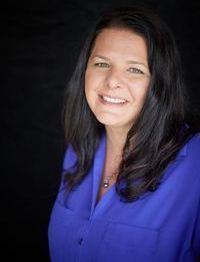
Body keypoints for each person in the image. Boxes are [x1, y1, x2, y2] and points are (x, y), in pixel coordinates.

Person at [48, 5, 200, 262]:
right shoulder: (78, 149)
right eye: (102, 63)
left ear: (160, 83)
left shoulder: (195, 164)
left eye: (134, 69)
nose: (112, 81)